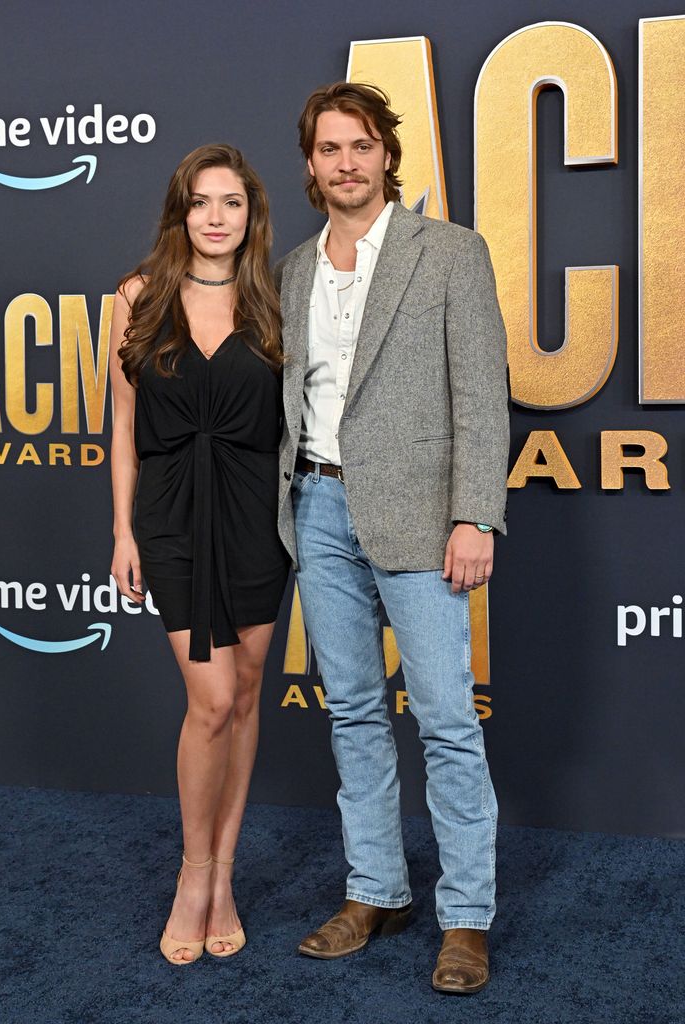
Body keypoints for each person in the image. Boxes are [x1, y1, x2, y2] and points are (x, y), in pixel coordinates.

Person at [274, 82, 509, 993]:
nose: (346, 163)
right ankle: (376, 889)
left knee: (448, 722)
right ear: (311, 165)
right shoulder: (294, 270)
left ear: (385, 153)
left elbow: (482, 397)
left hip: (421, 517)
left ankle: (466, 917)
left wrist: (474, 514)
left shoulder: (448, 252)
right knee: (356, 717)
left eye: (361, 146)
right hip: (320, 514)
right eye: (329, 149)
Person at [109, 144, 289, 965]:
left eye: (232, 203)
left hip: (257, 516)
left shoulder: (276, 301)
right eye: (201, 202)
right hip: (173, 518)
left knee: (247, 696)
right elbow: (121, 430)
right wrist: (122, 532)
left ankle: (225, 877)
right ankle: (193, 871)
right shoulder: (139, 298)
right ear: (179, 213)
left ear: (252, 215)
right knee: (210, 700)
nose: (216, 217)